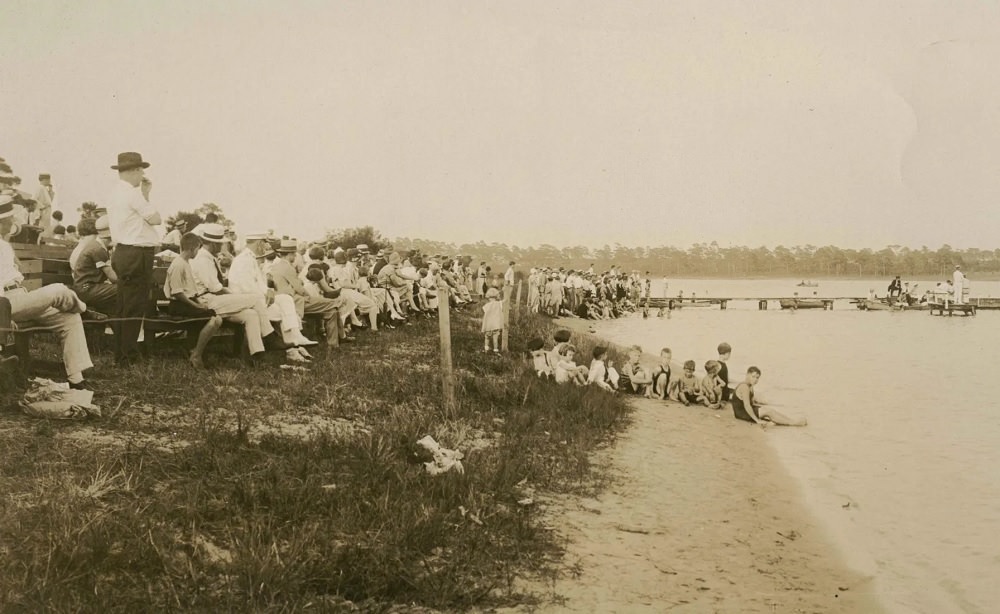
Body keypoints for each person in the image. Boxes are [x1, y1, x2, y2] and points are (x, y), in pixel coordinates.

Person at [0, 193, 94, 388]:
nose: (14, 221)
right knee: (59, 290)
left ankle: (76, 379)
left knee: (69, 318)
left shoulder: (4, 244)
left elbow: (15, 231)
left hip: (21, 296)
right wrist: (3, 316)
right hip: (6, 303)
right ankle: (85, 310)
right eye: (10, 218)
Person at [188, 224, 291, 360]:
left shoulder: (208, 257)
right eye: (220, 244)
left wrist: (236, 298)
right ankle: (269, 336)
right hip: (205, 301)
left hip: (214, 300)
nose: (221, 247)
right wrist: (236, 297)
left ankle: (256, 353)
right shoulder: (202, 259)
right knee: (254, 299)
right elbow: (216, 289)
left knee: (251, 314)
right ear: (212, 244)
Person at [227, 232, 317, 363]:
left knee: (285, 299)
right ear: (259, 243)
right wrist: (265, 296)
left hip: (257, 300)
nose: (266, 246)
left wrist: (268, 291)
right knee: (285, 313)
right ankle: (292, 348)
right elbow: (246, 289)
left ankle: (295, 338)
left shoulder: (251, 258)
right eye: (265, 243)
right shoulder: (243, 260)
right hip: (247, 303)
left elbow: (260, 284)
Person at [107, 152, 162, 365]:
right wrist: (146, 194)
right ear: (133, 170)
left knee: (124, 305)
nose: (142, 174)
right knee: (134, 306)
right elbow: (155, 219)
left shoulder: (115, 194)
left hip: (123, 252)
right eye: (140, 170)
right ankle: (127, 356)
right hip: (136, 254)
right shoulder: (132, 194)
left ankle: (122, 353)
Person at [269, 239, 352, 347]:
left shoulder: (275, 266)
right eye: (294, 255)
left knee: (331, 311)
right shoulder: (288, 267)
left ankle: (336, 342)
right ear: (290, 254)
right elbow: (300, 289)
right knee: (333, 304)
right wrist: (309, 296)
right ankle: (335, 341)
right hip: (296, 302)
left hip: (286, 300)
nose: (295, 258)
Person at [163, 232, 223, 368]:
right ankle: (196, 354)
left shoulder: (186, 263)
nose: (198, 251)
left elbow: (191, 291)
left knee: (214, 316)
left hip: (186, 302)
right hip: (178, 304)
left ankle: (194, 349)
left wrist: (200, 304)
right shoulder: (178, 264)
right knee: (214, 319)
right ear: (192, 249)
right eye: (197, 248)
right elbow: (177, 293)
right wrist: (195, 306)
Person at [69, 217, 117, 315]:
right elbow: (113, 278)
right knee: (125, 289)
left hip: (86, 288)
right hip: (87, 289)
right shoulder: (98, 249)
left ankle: (119, 327)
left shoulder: (96, 246)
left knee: (114, 303)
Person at [731, 366, 806, 426]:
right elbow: (747, 406)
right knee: (769, 411)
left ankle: (789, 420)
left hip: (743, 412)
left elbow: (751, 403)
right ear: (747, 374)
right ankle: (792, 422)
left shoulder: (749, 386)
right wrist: (757, 421)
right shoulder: (744, 387)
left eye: (757, 378)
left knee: (769, 410)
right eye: (753, 376)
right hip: (741, 413)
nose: (755, 380)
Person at [481, 287, 503, 353]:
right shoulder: (499, 304)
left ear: (488, 297)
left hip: (488, 324)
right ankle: (495, 350)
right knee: (495, 338)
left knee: (487, 337)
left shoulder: (487, 305)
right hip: (496, 324)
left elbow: (484, 310)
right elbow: (505, 301)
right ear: (496, 297)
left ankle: (486, 349)